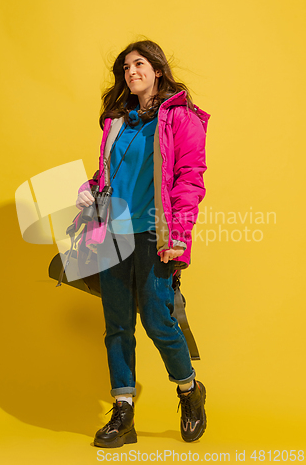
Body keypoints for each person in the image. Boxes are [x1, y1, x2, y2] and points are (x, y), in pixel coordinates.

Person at [76, 40, 210, 448]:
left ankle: (189, 391)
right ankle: (123, 412)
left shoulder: (181, 119)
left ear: (157, 69)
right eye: (125, 67)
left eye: (139, 63)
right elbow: (110, 173)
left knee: (157, 320)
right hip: (111, 232)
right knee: (117, 325)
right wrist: (90, 188)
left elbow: (189, 180)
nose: (131, 71)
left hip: (156, 234)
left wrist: (180, 237)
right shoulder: (116, 122)